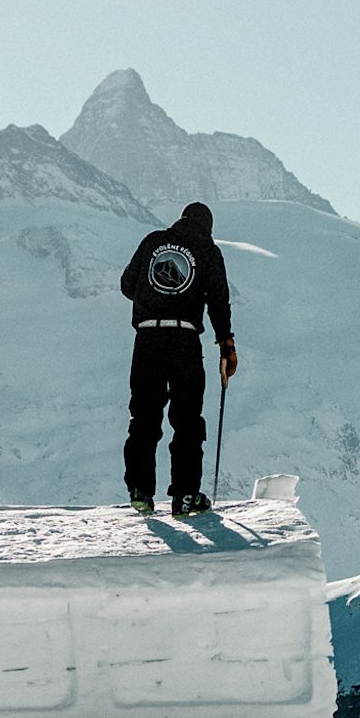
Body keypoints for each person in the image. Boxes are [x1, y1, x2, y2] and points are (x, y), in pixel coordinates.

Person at [118, 200, 238, 516]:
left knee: (143, 416)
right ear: (207, 228)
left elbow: (127, 286)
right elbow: (219, 301)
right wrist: (227, 346)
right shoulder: (208, 252)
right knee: (186, 420)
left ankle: (140, 491)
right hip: (184, 340)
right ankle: (184, 497)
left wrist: (154, 295)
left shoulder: (153, 241)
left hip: (146, 339)